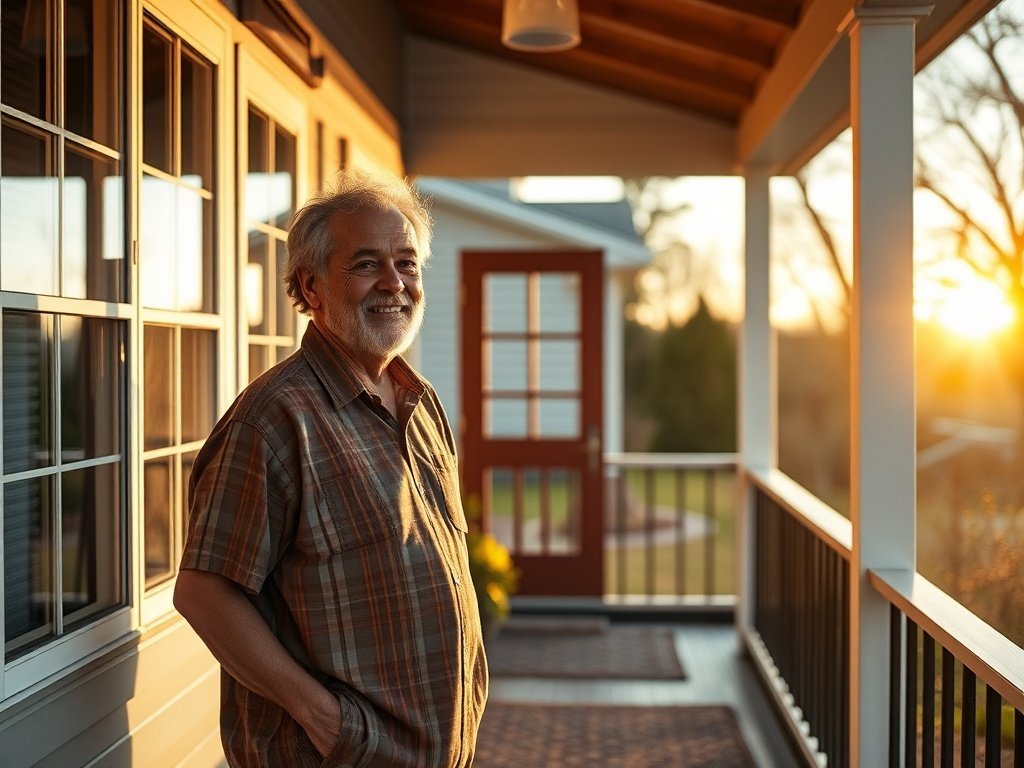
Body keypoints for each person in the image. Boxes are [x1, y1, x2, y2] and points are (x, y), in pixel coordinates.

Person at [174, 169, 488, 768]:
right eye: (366, 264)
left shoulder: (419, 403)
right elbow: (204, 591)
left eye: (407, 262)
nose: (395, 283)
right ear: (310, 287)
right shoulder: (272, 421)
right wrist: (326, 720)